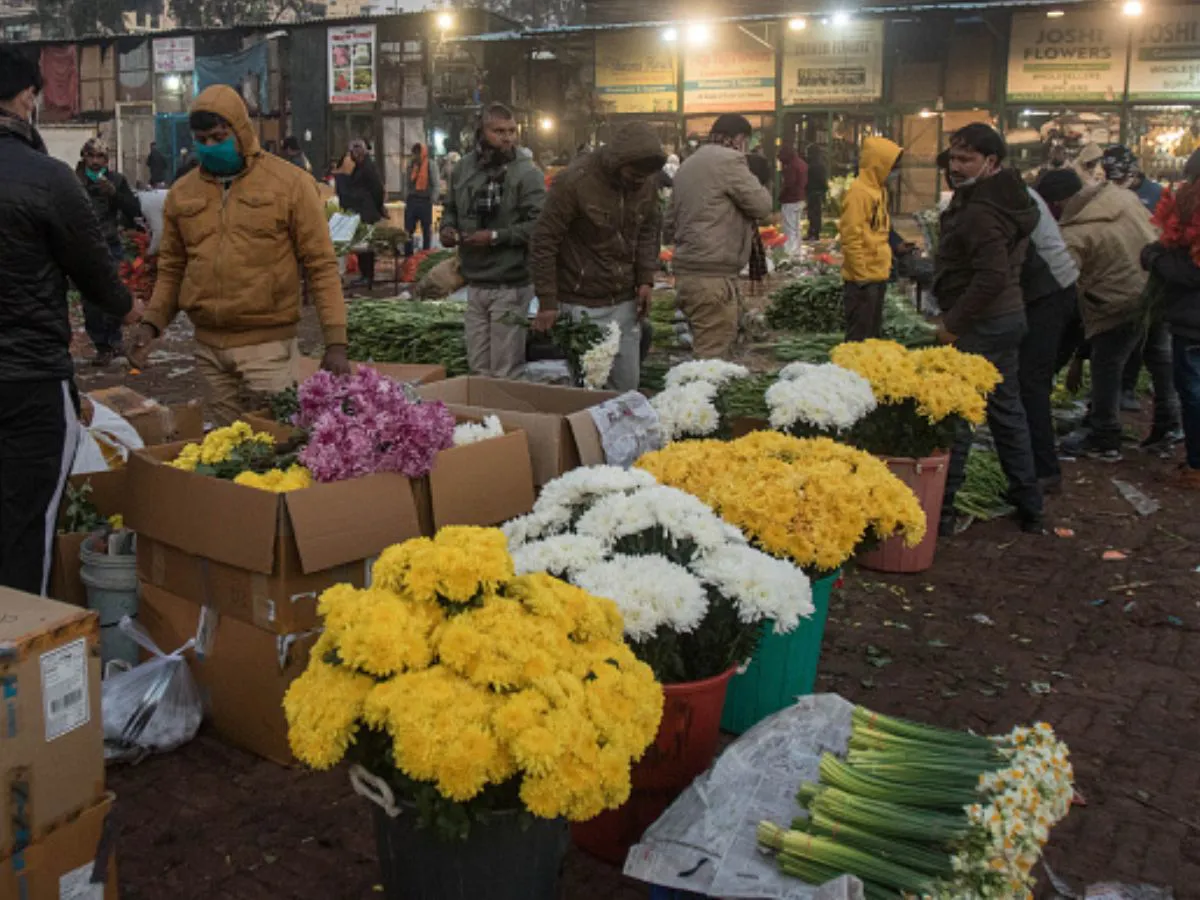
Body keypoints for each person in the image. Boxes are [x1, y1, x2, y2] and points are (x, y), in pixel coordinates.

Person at [0, 47, 140, 595]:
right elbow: (98, 278)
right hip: (29, 380)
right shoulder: (49, 179)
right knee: (27, 526)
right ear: (27, 98)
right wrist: (134, 313)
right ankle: (15, 656)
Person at [127, 85, 349, 425]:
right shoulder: (183, 194)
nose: (211, 147)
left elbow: (321, 266)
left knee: (275, 448)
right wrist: (152, 324)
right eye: (203, 139)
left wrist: (336, 342)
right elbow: (172, 268)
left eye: (219, 137)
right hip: (207, 350)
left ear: (242, 131)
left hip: (268, 349)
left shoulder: (290, 184)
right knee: (224, 449)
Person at [935, 123, 1043, 535]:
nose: (957, 167)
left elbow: (991, 275)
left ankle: (942, 513)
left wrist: (952, 324)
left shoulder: (981, 211)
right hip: (1006, 319)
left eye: (967, 159)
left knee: (958, 418)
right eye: (954, 158)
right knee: (1006, 412)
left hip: (986, 324)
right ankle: (1029, 502)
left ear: (991, 162)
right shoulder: (1003, 198)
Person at [1035, 169, 1178, 461]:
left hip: (1116, 302)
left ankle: (1105, 436)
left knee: (1107, 366)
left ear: (1060, 202)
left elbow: (1062, 283)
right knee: (1160, 358)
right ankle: (1170, 424)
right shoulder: (1122, 197)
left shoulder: (1075, 234)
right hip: (1156, 288)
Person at [530, 121, 665, 391]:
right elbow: (543, 241)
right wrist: (547, 301)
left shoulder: (646, 183)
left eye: (644, 177)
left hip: (624, 300)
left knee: (627, 387)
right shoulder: (575, 182)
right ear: (617, 162)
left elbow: (649, 229)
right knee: (588, 390)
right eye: (633, 174)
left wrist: (645, 279)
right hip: (581, 303)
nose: (638, 181)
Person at [441, 103, 546, 380]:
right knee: (478, 369)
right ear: (481, 132)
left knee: (505, 372)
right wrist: (448, 228)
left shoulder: (527, 173)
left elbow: (538, 226)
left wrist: (496, 237)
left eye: (512, 131)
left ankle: (507, 421)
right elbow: (450, 207)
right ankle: (485, 422)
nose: (507, 137)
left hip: (510, 284)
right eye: (498, 131)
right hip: (475, 284)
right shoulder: (463, 169)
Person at [666, 114, 773, 360]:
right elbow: (762, 206)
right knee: (712, 359)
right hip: (713, 275)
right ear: (738, 138)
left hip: (688, 274)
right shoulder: (730, 161)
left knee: (704, 347)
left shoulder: (688, 164)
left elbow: (669, 220)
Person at [1142, 149, 1200, 488]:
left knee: (1193, 392)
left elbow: (1192, 272)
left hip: (1194, 323)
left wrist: (1155, 259)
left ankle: (1196, 466)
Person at [1019, 178, 1081, 494]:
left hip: (1051, 294)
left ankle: (1043, 470)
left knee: (1031, 381)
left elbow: (998, 267)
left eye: (966, 159)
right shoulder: (1017, 193)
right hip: (1056, 292)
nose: (957, 170)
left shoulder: (1013, 198)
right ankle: (1033, 462)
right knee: (1031, 381)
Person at [76, 136, 144, 366]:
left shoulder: (115, 180)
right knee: (91, 299)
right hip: (85, 246)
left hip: (110, 244)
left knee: (115, 291)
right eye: (91, 156)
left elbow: (134, 209)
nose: (95, 162)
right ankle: (102, 346)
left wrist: (114, 194)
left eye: (100, 157)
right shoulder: (74, 181)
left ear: (107, 160)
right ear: (84, 157)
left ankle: (114, 341)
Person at [839, 136, 902, 341]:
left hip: (877, 272)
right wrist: (860, 275)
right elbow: (850, 237)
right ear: (879, 164)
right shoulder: (860, 193)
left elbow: (879, 230)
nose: (895, 172)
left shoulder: (879, 191)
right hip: (863, 278)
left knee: (872, 335)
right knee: (859, 336)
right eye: (892, 166)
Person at [338, 138, 385, 287]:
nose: (351, 155)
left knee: (366, 245)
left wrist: (378, 207)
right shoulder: (360, 166)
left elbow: (377, 188)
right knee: (361, 244)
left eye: (352, 152)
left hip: (367, 211)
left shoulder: (367, 167)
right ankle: (364, 274)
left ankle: (368, 276)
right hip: (361, 210)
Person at [405, 142, 438, 256]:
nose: (415, 156)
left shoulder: (430, 165)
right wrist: (406, 197)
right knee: (408, 229)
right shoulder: (411, 165)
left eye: (418, 153)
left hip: (425, 201)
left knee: (426, 229)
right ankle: (408, 254)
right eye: (414, 153)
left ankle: (425, 253)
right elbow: (406, 183)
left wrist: (433, 199)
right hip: (412, 200)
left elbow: (435, 183)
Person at [779, 144, 808, 254]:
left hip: (790, 199)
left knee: (789, 227)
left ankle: (790, 250)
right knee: (796, 226)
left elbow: (789, 184)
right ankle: (797, 248)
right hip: (800, 198)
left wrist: (781, 195)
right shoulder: (802, 164)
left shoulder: (791, 166)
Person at [806, 144, 828, 241]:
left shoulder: (813, 165)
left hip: (813, 191)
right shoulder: (820, 164)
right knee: (816, 213)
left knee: (813, 214)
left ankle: (813, 233)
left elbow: (818, 179)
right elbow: (823, 180)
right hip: (817, 191)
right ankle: (815, 232)